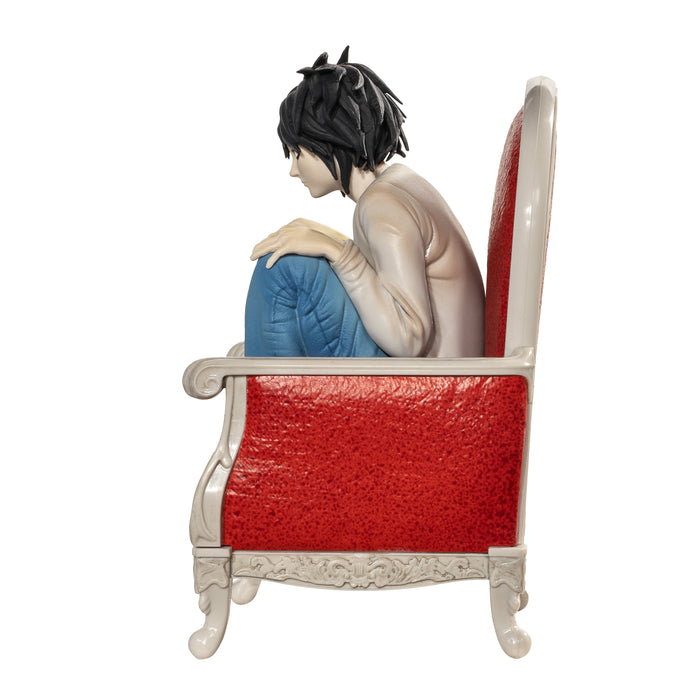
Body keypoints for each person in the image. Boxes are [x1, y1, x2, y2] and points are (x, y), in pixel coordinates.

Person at [245, 48, 484, 358]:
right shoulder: (398, 183)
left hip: (434, 378)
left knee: (283, 267)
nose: (293, 170)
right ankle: (271, 376)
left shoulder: (383, 206)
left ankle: (263, 385)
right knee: (297, 249)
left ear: (331, 140)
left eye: (297, 152)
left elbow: (409, 339)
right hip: (440, 369)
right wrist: (327, 239)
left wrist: (337, 251)